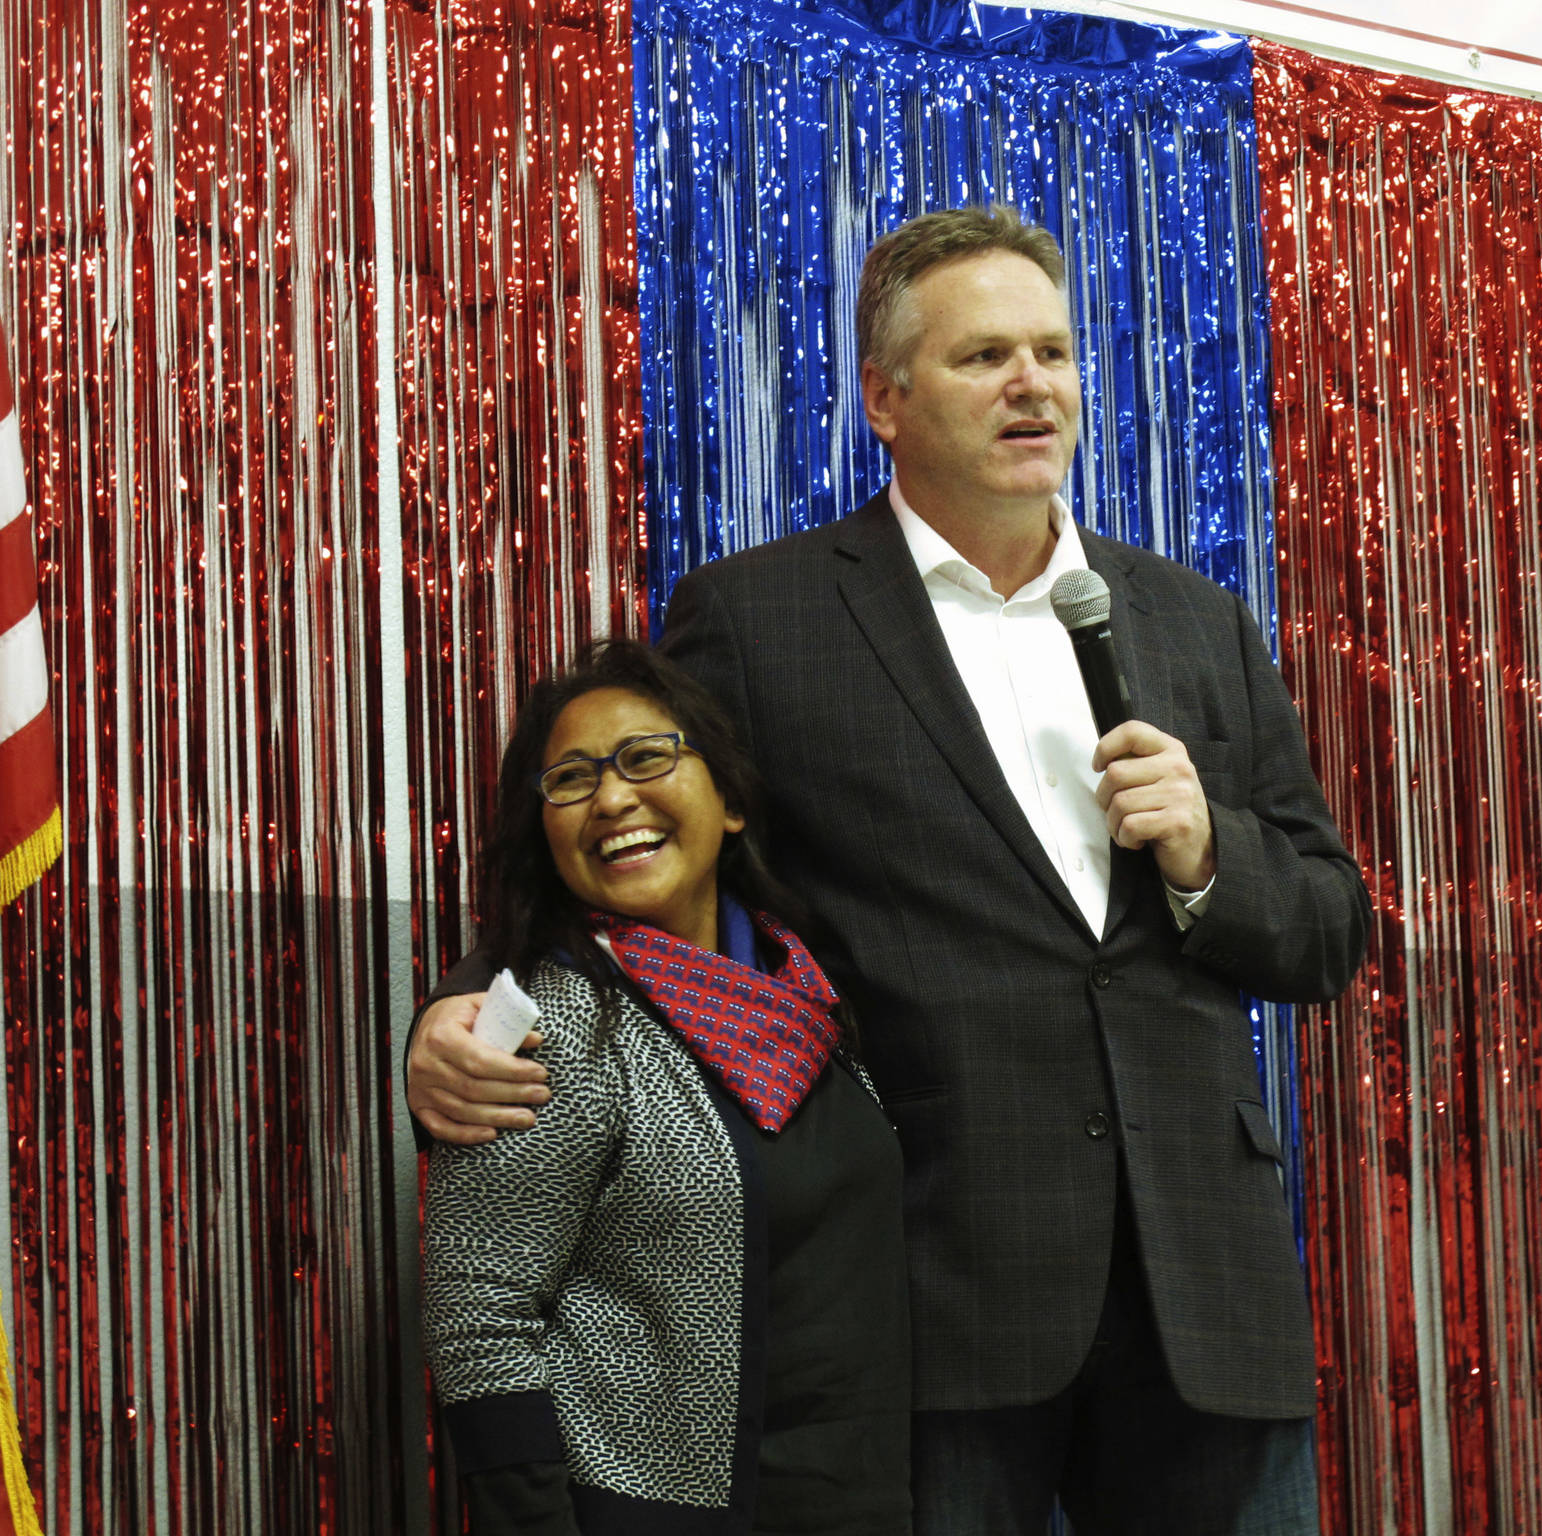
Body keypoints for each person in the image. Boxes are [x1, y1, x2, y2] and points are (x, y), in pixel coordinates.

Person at [411, 207, 1368, 1534]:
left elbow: (1327, 926)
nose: (1032, 384)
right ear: (884, 396)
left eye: (1053, 351)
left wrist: (1212, 855)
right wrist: (473, 1006)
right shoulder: (766, 615)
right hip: (936, 1300)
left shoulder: (1193, 621)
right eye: (984, 357)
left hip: (1206, 1299)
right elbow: (633, 836)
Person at [421, 638, 910, 1535]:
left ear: (728, 800)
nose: (612, 798)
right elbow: (478, 1317)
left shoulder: (810, 990)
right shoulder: (540, 1024)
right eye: (570, 780)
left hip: (853, 1503)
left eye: (646, 758)